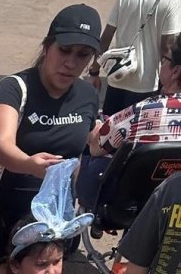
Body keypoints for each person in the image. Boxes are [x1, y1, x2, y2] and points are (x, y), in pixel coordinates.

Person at [0, 5, 101, 274]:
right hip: (3, 214)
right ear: (47, 47)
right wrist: (28, 164)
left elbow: (86, 146)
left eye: (83, 55)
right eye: (64, 50)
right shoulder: (15, 87)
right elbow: (1, 145)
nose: (71, 62)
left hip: (52, 219)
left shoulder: (88, 95)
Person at [77, 36, 181, 212]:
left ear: (176, 71)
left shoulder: (143, 111)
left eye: (164, 59)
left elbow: (96, 147)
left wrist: (96, 127)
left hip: (133, 209)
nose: (161, 63)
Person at [89, 0, 181, 116]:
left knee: (111, 127)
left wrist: (94, 72)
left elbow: (106, 37)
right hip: (146, 85)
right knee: (135, 130)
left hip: (117, 77)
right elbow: (167, 47)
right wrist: (168, 84)